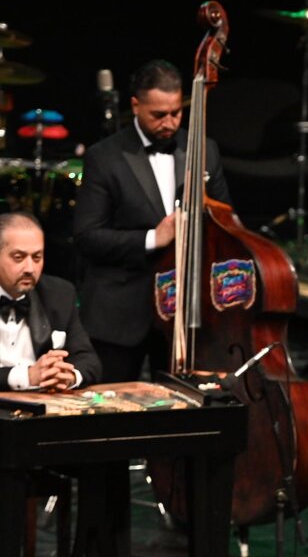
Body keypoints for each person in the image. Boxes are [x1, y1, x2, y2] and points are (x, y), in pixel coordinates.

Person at [73, 60, 231, 383]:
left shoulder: (205, 150)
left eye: (176, 113)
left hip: (182, 316)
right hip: (119, 314)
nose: (169, 123)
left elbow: (225, 223)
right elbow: (87, 237)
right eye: (158, 115)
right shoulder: (104, 157)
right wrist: (151, 238)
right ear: (135, 105)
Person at [0, 212, 100, 391]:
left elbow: (88, 360)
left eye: (37, 257)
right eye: (18, 257)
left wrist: (68, 376)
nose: (30, 268)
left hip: (42, 404)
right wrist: (26, 376)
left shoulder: (59, 293)